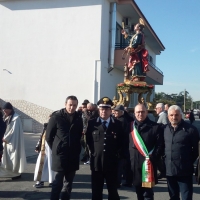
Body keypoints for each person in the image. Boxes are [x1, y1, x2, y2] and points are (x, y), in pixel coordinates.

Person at [46, 96, 83, 200]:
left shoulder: (79, 118)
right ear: (65, 104)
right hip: (60, 156)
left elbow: (79, 135)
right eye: (70, 105)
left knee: (68, 184)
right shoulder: (56, 117)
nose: (72, 107)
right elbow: (49, 137)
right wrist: (57, 149)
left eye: (74, 105)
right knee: (57, 183)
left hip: (73, 155)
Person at [86, 97, 124, 200]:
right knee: (96, 191)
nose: (104, 111)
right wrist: (93, 153)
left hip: (112, 162)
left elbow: (121, 143)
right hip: (97, 162)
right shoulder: (92, 123)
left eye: (106, 109)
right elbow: (88, 140)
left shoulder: (118, 124)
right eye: (102, 109)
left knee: (113, 191)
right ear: (99, 110)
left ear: (110, 110)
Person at [164, 105, 199, 200]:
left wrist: (187, 161)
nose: (174, 117)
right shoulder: (164, 129)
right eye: (171, 115)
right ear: (168, 116)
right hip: (169, 171)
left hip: (185, 171)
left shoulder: (191, 130)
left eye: (176, 115)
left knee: (186, 197)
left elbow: (196, 150)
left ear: (181, 115)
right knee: (173, 196)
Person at [129, 104, 164, 200]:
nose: (140, 114)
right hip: (134, 164)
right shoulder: (130, 127)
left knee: (147, 194)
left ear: (147, 112)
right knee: (138, 192)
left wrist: (152, 158)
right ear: (134, 113)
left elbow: (160, 146)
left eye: (142, 112)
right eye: (138, 112)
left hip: (149, 165)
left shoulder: (155, 127)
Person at [1, 102, 26, 177]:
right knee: (7, 158)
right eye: (4, 110)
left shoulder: (16, 118)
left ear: (10, 110)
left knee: (14, 157)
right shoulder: (6, 117)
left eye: (6, 110)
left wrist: (5, 138)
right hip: (7, 142)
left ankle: (16, 173)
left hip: (14, 142)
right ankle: (9, 173)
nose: (4, 112)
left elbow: (13, 131)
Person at [33, 118, 55, 188]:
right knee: (41, 165)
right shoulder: (46, 126)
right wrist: (37, 146)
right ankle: (40, 181)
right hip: (44, 148)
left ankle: (52, 181)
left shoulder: (57, 126)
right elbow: (41, 136)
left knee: (51, 165)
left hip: (52, 149)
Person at [114, 105, 132, 188]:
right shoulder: (121, 119)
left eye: (117, 111)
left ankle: (117, 182)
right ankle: (127, 180)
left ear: (121, 112)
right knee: (124, 166)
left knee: (120, 166)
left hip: (122, 147)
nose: (115, 112)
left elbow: (121, 135)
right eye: (115, 111)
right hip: (123, 147)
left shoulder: (122, 121)